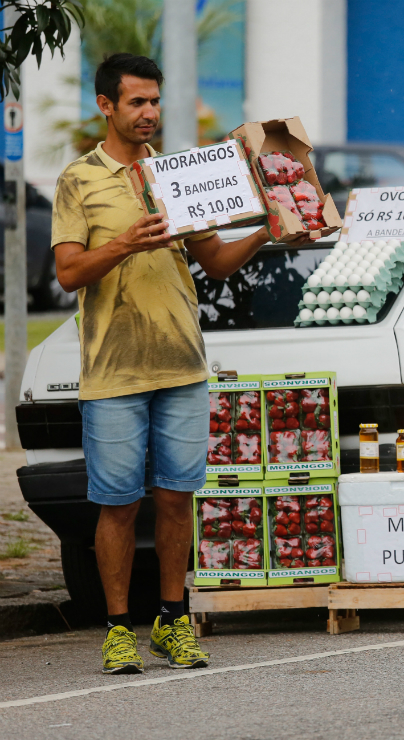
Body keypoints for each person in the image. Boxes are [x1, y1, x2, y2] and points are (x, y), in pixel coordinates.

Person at [51, 53, 280, 674]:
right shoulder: (79, 179)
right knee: (119, 505)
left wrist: (266, 230)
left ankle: (173, 621)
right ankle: (117, 629)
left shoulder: (177, 175)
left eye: (155, 101)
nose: (149, 112)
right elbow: (68, 272)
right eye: (137, 102)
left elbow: (217, 262)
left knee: (178, 501)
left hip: (182, 366)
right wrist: (125, 243)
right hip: (113, 371)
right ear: (106, 106)